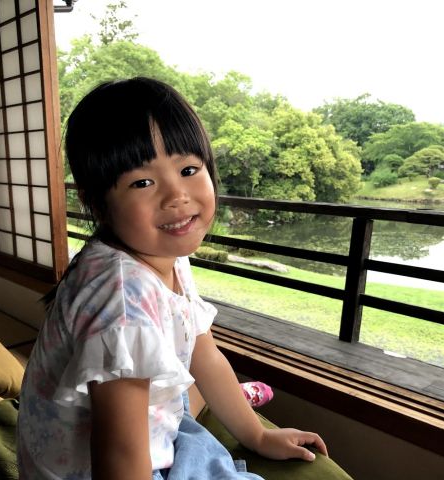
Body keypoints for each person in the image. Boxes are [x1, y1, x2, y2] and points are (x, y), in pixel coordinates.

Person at [17, 77, 327, 479]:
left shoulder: (165, 254)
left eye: (188, 169)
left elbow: (204, 354)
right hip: (87, 469)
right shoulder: (122, 299)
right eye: (142, 182)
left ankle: (234, 403)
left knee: (185, 390)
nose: (176, 195)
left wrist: (258, 436)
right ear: (97, 203)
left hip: (140, 429)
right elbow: (119, 459)